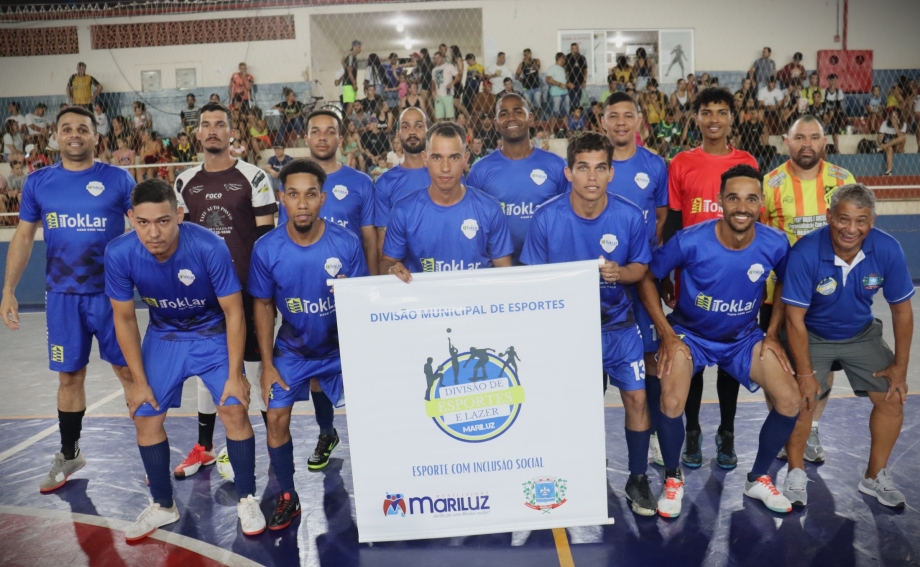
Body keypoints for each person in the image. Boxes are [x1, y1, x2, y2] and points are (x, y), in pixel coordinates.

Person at [102, 177, 262, 540]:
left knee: (234, 406)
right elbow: (124, 318)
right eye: (142, 222)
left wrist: (236, 373)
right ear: (131, 218)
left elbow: (234, 312)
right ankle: (163, 504)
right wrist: (138, 382)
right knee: (145, 415)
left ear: (179, 214)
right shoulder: (119, 253)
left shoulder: (209, 246)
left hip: (210, 333)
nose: (153, 232)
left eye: (162, 221)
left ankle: (248, 498)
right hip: (164, 336)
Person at [638, 164, 799, 517]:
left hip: (743, 338)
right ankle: (672, 478)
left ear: (760, 203)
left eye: (751, 199)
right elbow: (648, 278)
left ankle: (757, 479)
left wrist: (772, 333)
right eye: (733, 198)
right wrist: (667, 334)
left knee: (789, 400)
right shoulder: (690, 240)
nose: (742, 206)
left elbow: (789, 284)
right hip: (690, 335)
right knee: (672, 401)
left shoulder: (775, 242)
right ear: (720, 201)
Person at [1, 106, 135, 492]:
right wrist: (8, 290)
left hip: (112, 296)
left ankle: (149, 454)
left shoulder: (119, 179)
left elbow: (146, 229)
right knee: (69, 376)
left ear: (96, 136)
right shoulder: (38, 182)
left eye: (83, 128)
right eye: (67, 129)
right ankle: (69, 452)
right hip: (62, 296)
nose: (74, 134)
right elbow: (24, 237)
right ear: (55, 136)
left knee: (129, 373)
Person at [521, 131, 655, 515]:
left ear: (612, 173)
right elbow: (532, 277)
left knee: (637, 398)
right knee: (571, 406)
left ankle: (638, 477)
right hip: (568, 332)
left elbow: (641, 268)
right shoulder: (547, 217)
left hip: (619, 325)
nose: (591, 177)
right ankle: (574, 473)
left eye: (600, 168)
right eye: (583, 168)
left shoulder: (629, 215)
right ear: (568, 173)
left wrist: (620, 273)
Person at [249, 159, 369, 529]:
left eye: (311, 195)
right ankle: (288, 495)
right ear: (281, 198)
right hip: (293, 351)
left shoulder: (346, 243)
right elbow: (264, 306)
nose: (302, 204)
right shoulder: (267, 248)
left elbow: (361, 302)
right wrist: (267, 365)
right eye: (294, 195)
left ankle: (380, 489)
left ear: (323, 198)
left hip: (340, 351)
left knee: (371, 417)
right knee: (276, 417)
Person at [781, 184, 914, 508]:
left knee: (892, 399)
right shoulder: (805, 252)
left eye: (861, 221)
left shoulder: (887, 249)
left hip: (860, 334)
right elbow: (794, 319)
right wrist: (805, 373)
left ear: (872, 221)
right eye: (843, 219)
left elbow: (902, 311)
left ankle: (874, 476)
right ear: (829, 217)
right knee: (803, 400)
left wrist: (899, 368)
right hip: (812, 334)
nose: (851, 229)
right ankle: (795, 471)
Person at [173, 102, 277, 479]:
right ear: (197, 134)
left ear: (232, 133)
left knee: (253, 366)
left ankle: (268, 445)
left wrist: (267, 292)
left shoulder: (255, 177)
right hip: (204, 296)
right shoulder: (184, 182)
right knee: (208, 370)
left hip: (249, 291)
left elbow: (266, 240)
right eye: (206, 125)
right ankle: (205, 447)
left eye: (220, 124)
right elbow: (180, 241)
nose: (213, 130)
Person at [663, 87, 759, 470]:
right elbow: (672, 221)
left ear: (732, 117)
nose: (714, 119)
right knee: (695, 358)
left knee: (730, 360)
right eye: (707, 112)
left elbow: (754, 218)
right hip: (693, 280)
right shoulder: (681, 162)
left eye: (722, 111)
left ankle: (728, 431)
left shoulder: (746, 160)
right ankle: (692, 431)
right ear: (696, 117)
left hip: (736, 278)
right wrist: (670, 273)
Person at [760, 115, 856, 465]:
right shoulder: (770, 183)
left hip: (829, 293)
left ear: (824, 141)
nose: (807, 144)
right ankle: (784, 427)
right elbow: (761, 239)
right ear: (786, 141)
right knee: (779, 364)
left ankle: (811, 428)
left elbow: (855, 232)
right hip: (779, 294)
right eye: (800, 137)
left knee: (822, 363)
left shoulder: (843, 181)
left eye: (814, 137)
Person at [602, 92, 670, 464]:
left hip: (639, 277)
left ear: (639, 121)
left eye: (629, 116)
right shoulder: (594, 163)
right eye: (614, 116)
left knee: (649, 358)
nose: (621, 122)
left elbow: (659, 218)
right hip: (599, 280)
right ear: (603, 121)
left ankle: (657, 435)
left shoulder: (655, 165)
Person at [380, 122, 513, 279]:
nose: (445, 167)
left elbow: (506, 276)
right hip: (424, 302)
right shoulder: (403, 211)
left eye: (454, 157)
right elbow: (387, 264)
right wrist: (392, 270)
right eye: (437, 157)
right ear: (425, 159)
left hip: (475, 301)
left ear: (465, 159)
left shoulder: (490, 209)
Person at [468, 94, 568, 263]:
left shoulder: (557, 165)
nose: (511, 117)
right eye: (503, 113)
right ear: (496, 123)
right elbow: (470, 223)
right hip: (498, 271)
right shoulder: (479, 171)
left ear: (530, 118)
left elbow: (569, 217)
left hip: (547, 267)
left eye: (517, 111)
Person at [278, 110, 377, 274]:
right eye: (315, 131)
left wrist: (373, 285)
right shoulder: (290, 182)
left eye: (330, 132)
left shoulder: (362, 182)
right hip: (303, 274)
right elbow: (283, 237)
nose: (322, 137)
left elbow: (369, 241)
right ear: (306, 139)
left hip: (349, 278)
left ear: (340, 140)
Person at [375, 107, 431, 258]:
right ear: (398, 134)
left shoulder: (445, 175)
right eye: (405, 127)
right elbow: (383, 238)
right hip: (403, 276)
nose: (412, 132)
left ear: (427, 130)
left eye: (418, 126)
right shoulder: (385, 182)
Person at [877, 108, 907, 176]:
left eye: (896, 114)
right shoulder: (885, 123)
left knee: (902, 137)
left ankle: (885, 146)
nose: (893, 116)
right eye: (892, 114)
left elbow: (901, 138)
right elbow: (880, 137)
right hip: (887, 148)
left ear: (899, 116)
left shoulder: (904, 124)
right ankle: (889, 171)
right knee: (889, 147)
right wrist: (882, 142)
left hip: (898, 148)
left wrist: (895, 125)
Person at [431, 51, 459, 121]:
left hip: (447, 94)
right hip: (438, 95)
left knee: (450, 115)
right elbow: (433, 81)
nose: (436, 60)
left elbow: (458, 76)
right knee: (440, 117)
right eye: (435, 58)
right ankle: (442, 131)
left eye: (438, 58)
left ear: (442, 57)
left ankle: (452, 130)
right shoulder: (434, 70)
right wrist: (433, 92)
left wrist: (452, 83)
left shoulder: (449, 66)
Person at [546, 52, 570, 134]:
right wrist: (559, 84)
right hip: (556, 94)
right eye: (564, 59)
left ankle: (568, 130)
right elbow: (548, 80)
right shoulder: (552, 68)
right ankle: (552, 131)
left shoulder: (563, 69)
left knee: (566, 112)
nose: (565, 61)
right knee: (555, 112)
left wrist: (567, 85)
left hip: (565, 93)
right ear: (560, 58)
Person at [516, 48, 542, 117]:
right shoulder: (522, 64)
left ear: (530, 54)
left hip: (536, 87)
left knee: (538, 105)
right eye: (524, 55)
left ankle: (537, 120)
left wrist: (529, 63)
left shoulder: (536, 61)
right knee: (528, 106)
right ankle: (529, 121)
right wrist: (521, 79)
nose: (525, 56)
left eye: (527, 55)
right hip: (526, 88)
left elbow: (538, 68)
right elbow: (517, 75)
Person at [565, 43, 588, 111]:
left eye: (576, 48)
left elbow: (585, 71)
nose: (574, 50)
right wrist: (568, 82)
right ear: (571, 49)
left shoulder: (582, 58)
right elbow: (565, 71)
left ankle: (578, 116)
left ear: (578, 49)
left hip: (579, 83)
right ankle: (572, 117)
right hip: (570, 83)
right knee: (571, 101)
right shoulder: (567, 57)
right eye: (573, 49)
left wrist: (584, 81)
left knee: (578, 102)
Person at [342, 40, 362, 117]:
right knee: (350, 103)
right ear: (354, 47)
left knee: (351, 103)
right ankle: (347, 123)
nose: (360, 49)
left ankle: (348, 122)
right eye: (359, 47)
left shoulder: (354, 58)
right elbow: (349, 71)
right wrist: (354, 83)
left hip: (350, 84)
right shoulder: (350, 57)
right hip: (348, 84)